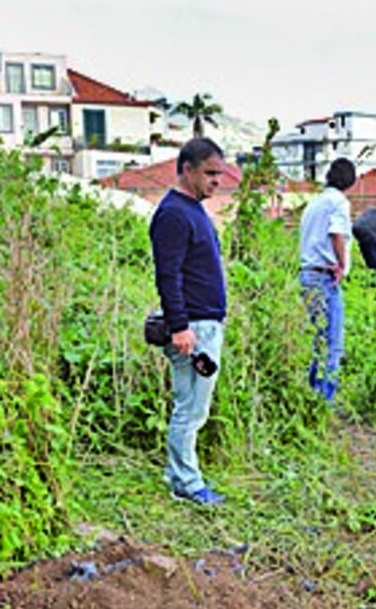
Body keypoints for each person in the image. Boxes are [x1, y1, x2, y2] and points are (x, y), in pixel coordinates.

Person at [149, 137, 228, 506]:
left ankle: (179, 472)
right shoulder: (174, 214)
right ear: (187, 169)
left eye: (220, 174)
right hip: (192, 327)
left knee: (193, 405)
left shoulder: (192, 209)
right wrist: (180, 327)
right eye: (210, 173)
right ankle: (187, 482)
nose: (217, 181)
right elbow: (169, 275)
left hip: (203, 323)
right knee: (191, 409)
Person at [298, 158, 357, 404]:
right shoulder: (338, 202)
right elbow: (336, 233)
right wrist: (342, 264)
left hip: (306, 273)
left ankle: (312, 395)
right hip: (325, 276)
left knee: (315, 340)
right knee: (333, 342)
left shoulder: (315, 202)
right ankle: (325, 401)